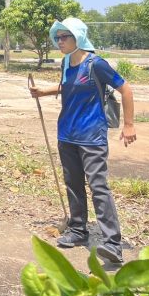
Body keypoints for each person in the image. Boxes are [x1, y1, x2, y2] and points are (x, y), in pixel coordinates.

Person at [29, 17, 136, 265]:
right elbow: (68, 88)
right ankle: (78, 230)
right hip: (67, 133)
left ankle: (112, 243)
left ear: (78, 38)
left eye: (65, 37)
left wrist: (129, 125)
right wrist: (43, 92)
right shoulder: (66, 62)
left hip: (92, 136)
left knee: (98, 186)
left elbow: (126, 89)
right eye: (58, 37)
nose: (60, 41)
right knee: (73, 183)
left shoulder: (96, 64)